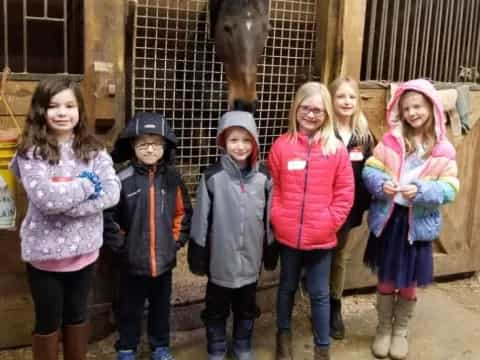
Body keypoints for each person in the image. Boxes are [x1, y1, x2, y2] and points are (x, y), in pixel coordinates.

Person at [11, 78, 121, 360]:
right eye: (53, 105)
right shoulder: (30, 152)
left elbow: (112, 193)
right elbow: (46, 201)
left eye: (69, 105)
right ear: (41, 110)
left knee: (77, 316)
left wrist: (67, 204)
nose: (62, 112)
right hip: (45, 257)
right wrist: (87, 184)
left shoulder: (94, 149)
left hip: (84, 253)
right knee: (48, 321)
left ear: (79, 110)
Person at [362, 79, 459, 360]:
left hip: (416, 225)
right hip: (391, 220)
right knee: (386, 277)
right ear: (400, 112)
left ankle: (400, 331)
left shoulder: (443, 149)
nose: (412, 112)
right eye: (406, 108)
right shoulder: (391, 140)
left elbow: (451, 188)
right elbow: (370, 169)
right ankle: (382, 329)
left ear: (431, 107)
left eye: (417, 106)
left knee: (408, 281)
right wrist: (381, 185)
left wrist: (423, 190)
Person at [268, 82, 354, 360]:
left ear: (327, 113)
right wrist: (278, 218)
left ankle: (322, 348)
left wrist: (329, 222)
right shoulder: (282, 146)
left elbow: (345, 194)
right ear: (296, 109)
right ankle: (283, 338)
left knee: (318, 293)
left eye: (318, 110)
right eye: (305, 108)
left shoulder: (336, 150)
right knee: (287, 287)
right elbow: (274, 188)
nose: (311, 114)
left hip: (321, 237)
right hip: (288, 234)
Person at [103, 112, 192, 360]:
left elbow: (182, 214)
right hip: (132, 262)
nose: (150, 149)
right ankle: (127, 346)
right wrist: (123, 247)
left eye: (156, 143)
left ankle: (160, 346)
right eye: (143, 143)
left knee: (160, 308)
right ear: (133, 145)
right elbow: (109, 217)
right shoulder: (122, 179)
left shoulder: (173, 179)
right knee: (129, 307)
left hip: (163, 261)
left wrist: (174, 243)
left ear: (165, 145)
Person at [188, 111, 272, 360]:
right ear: (223, 142)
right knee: (216, 306)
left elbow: (268, 217)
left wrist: (270, 247)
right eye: (234, 140)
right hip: (220, 261)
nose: (240, 146)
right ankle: (216, 346)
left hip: (251, 259)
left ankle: (243, 344)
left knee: (246, 306)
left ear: (255, 143)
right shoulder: (212, 176)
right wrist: (199, 251)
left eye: (247, 140)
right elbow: (201, 218)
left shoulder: (264, 178)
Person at [328, 76, 375, 339]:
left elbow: (371, 171)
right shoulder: (324, 131)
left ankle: (335, 304)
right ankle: (319, 300)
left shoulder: (363, 135)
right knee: (321, 256)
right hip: (323, 207)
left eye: (352, 97)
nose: (347, 102)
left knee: (340, 258)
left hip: (350, 209)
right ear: (331, 100)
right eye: (341, 96)